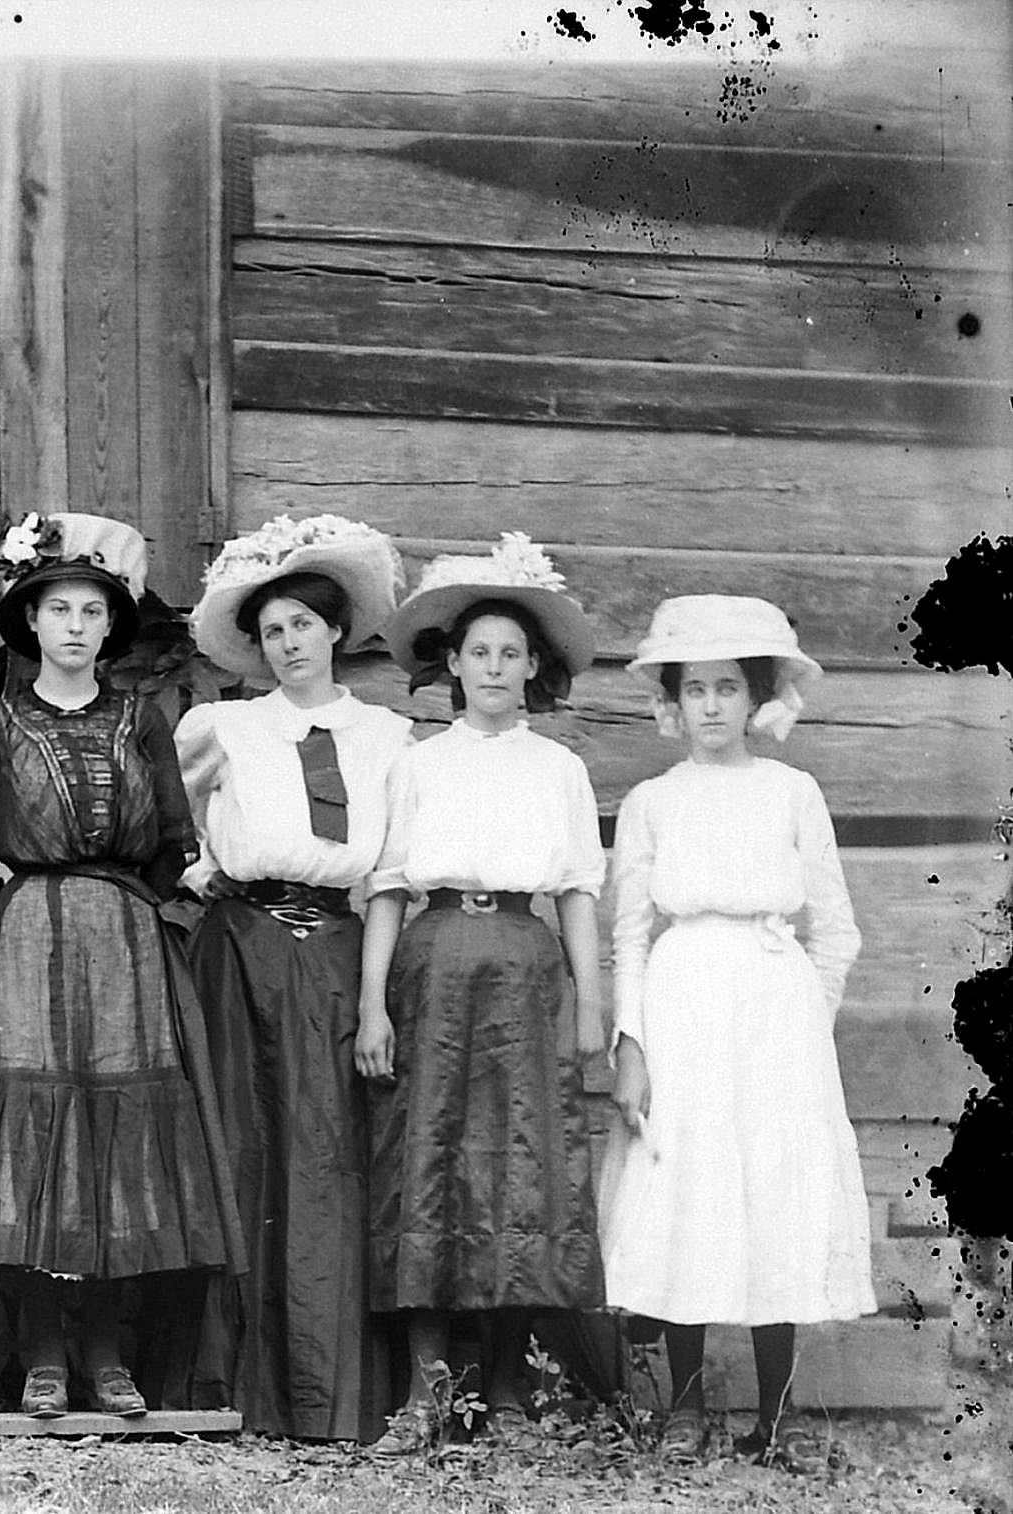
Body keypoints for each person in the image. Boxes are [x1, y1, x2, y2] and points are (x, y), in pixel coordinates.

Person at [0, 512, 242, 1420]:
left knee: (119, 1138)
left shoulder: (140, 719)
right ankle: (43, 1352)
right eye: (58, 610)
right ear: (30, 622)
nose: (75, 626)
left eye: (91, 611)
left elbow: (171, 838)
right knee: (38, 1131)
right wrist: (18, 918)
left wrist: (125, 908)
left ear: (111, 626)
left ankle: (108, 1354)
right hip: (29, 937)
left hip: (123, 937)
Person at [599, 595, 871, 1473]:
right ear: (672, 703)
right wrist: (632, 1043)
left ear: (756, 698)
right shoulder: (652, 802)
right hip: (682, 1002)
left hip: (774, 1011)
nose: (711, 705)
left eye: (727, 687)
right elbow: (629, 935)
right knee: (690, 1184)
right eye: (695, 689)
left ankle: (774, 1414)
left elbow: (836, 930)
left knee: (771, 1190)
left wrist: (803, 1023)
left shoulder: (792, 792)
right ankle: (683, 1404)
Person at [358, 532, 606, 1454]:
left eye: (511, 652)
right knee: (425, 1158)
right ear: (452, 666)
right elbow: (388, 889)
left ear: (533, 667)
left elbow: (576, 893)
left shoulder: (559, 769)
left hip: (525, 966)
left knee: (518, 1162)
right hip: (431, 964)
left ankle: (503, 1395)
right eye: (479, 652)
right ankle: (427, 1394)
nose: (495, 667)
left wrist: (591, 1000)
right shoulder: (420, 763)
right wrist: (372, 1005)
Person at [176, 513, 411, 1440]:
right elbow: (167, 816)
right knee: (241, 1147)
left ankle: (325, 1389)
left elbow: (389, 877)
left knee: (326, 1156)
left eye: (303, 625)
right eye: (272, 632)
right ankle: (232, 1388)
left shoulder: (388, 736)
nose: (288, 645)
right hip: (241, 949)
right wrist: (205, 871)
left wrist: (375, 999)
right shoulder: (226, 727)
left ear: (336, 630)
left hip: (338, 955)